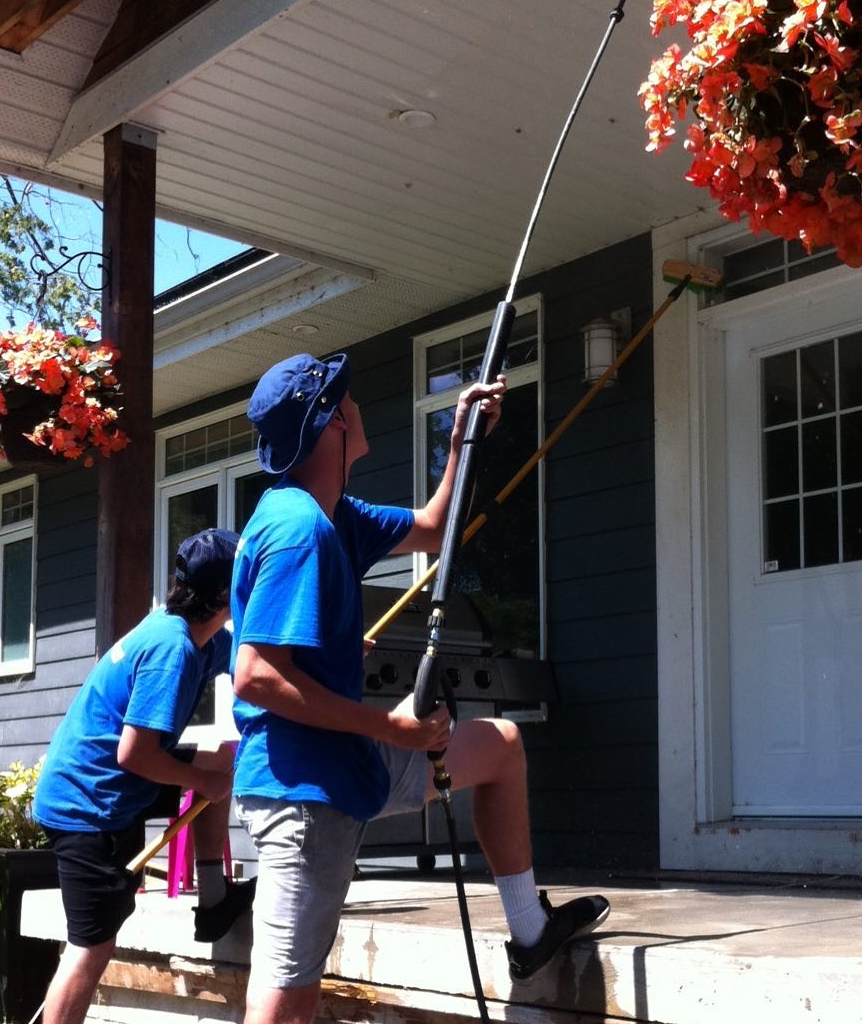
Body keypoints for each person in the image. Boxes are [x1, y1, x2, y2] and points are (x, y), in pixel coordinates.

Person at [231, 352, 610, 1024]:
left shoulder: (333, 515)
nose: (357, 405)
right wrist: (389, 726)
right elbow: (256, 676)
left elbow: (437, 529)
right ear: (330, 424)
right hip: (304, 793)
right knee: (288, 995)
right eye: (345, 398)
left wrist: (466, 434)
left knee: (499, 745)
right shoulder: (297, 530)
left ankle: (530, 932)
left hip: (346, 771)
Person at [33, 528, 255, 1024]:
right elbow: (135, 753)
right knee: (91, 946)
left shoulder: (194, 635)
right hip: (87, 803)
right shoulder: (171, 649)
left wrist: (336, 655)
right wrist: (203, 783)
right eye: (245, 578)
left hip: (111, 787)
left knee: (217, 756)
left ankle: (215, 898)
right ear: (224, 593)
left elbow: (250, 664)